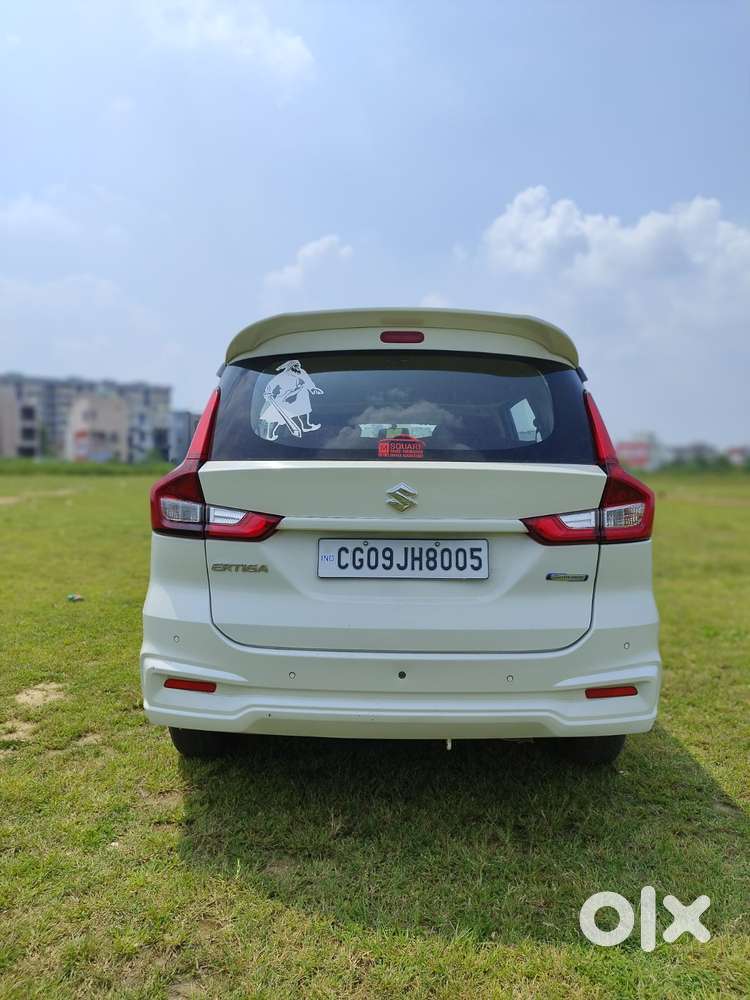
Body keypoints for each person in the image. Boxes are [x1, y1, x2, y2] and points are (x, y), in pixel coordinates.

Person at [259, 360, 324, 441]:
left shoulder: (302, 372)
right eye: (296, 365)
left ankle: (306, 426)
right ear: (291, 367)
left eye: (299, 365)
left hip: (301, 397)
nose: (298, 367)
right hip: (285, 398)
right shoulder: (282, 376)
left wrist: (313, 389)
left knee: (304, 410)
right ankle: (270, 435)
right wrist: (268, 393)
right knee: (276, 416)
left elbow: (308, 382)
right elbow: (271, 384)